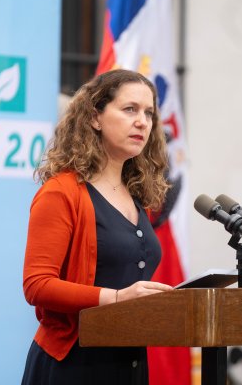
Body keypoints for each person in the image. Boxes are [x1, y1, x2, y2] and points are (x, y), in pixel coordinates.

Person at [21, 69, 174, 385]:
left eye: (149, 113)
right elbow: (37, 284)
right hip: (73, 365)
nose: (143, 122)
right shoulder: (61, 192)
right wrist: (116, 297)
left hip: (129, 362)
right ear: (95, 118)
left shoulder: (137, 196)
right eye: (130, 109)